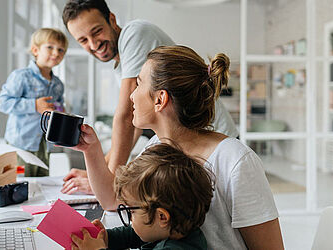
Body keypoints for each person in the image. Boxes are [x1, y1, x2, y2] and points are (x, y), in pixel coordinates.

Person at [69, 45, 284, 249]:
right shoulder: (155, 148)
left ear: (160, 99)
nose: (131, 95)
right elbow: (113, 201)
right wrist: (91, 150)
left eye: (138, 84)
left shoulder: (235, 160)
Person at [61, 0, 238, 194]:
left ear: (111, 19)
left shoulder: (134, 33)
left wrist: (109, 182)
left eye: (96, 32)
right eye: (83, 40)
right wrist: (97, 173)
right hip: (192, 147)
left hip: (213, 141)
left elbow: (126, 116)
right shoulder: (120, 65)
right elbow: (135, 122)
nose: (94, 44)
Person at [71, 143, 215, 250]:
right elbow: (132, 234)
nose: (131, 219)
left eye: (132, 212)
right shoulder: (169, 230)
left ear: (162, 217)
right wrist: (105, 237)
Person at [0, 28, 68, 177]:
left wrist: (61, 114)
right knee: (20, 183)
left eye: (61, 50)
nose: (56, 53)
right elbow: (3, 102)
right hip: (21, 144)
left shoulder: (58, 85)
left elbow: (60, 108)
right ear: (35, 50)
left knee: (42, 184)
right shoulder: (21, 76)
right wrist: (34, 105)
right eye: (50, 47)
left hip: (44, 144)